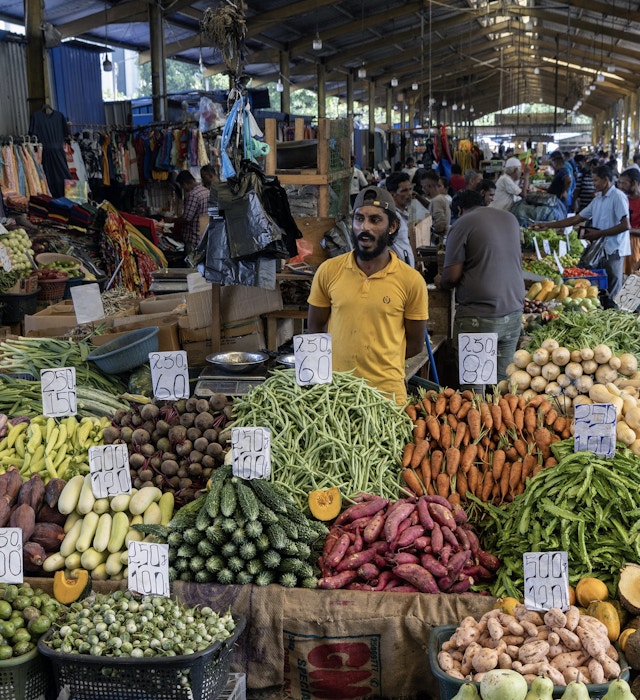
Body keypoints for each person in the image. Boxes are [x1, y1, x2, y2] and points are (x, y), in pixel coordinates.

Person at [307, 186, 429, 404]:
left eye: (375, 220)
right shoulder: (328, 271)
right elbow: (315, 330)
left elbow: (415, 344)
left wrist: (379, 365)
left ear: (392, 226)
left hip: (387, 397)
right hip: (337, 395)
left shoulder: (411, 281)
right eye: (359, 219)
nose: (365, 227)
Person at [437, 189, 524, 392]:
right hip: (513, 313)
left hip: (480, 318)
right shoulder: (510, 219)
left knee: (474, 392)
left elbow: (452, 276)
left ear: (459, 209)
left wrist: (440, 281)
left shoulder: (462, 224)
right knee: (502, 388)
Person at [531, 165, 630, 299]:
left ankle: (614, 313)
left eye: (595, 180)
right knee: (600, 288)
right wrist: (547, 225)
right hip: (599, 250)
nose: (593, 184)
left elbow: (625, 225)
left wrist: (599, 233)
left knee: (613, 287)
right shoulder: (598, 200)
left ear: (605, 180)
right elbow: (577, 218)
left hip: (614, 250)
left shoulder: (618, 197)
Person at [384, 171, 418, 267]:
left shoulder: (405, 213)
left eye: (410, 189)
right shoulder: (392, 217)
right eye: (404, 191)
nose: (409, 193)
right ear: (392, 194)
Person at [174, 170, 210, 252]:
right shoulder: (206, 191)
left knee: (192, 263)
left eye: (182, 186)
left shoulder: (193, 195)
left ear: (184, 184)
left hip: (194, 240)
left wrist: (172, 220)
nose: (183, 189)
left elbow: (186, 218)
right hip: (205, 237)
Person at [618, 168, 640, 274]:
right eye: (620, 183)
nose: (621, 186)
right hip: (621, 241)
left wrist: (627, 229)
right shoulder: (623, 199)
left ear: (634, 183)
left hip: (635, 245)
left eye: (624, 183)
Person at [421, 171, 451, 244]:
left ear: (429, 186)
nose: (422, 189)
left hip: (439, 242)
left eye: (423, 187)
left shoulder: (436, 200)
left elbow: (440, 226)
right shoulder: (440, 198)